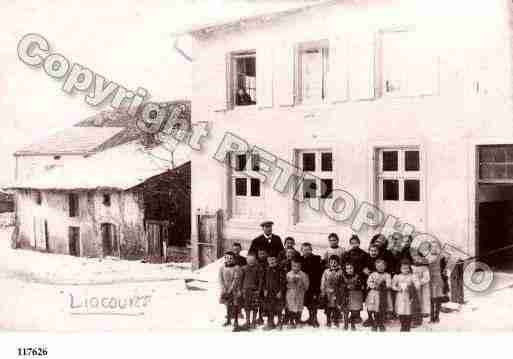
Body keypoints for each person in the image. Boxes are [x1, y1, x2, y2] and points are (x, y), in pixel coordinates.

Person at [392, 259, 420, 332]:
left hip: (408, 296)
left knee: (408, 311)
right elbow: (393, 286)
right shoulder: (397, 276)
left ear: (409, 268)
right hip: (400, 296)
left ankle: (407, 325)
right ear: (400, 268)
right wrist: (397, 288)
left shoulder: (412, 276)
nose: (405, 270)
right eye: (403, 268)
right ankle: (402, 325)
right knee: (401, 311)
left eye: (407, 268)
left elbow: (418, 285)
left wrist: (411, 286)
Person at [218, 251, 242, 331]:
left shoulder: (237, 268)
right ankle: (228, 320)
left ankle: (235, 321)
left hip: (234, 290)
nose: (228, 260)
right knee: (227, 304)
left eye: (231, 258)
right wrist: (224, 288)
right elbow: (220, 279)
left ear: (234, 259)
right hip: (225, 289)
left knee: (235, 305)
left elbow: (236, 279)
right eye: (227, 258)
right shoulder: (222, 267)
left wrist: (231, 289)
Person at [366, 259, 392, 331]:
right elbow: (369, 282)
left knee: (382, 309)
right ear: (375, 267)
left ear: (385, 267)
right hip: (374, 294)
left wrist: (385, 285)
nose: (380, 267)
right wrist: (373, 285)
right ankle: (375, 323)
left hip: (383, 294)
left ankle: (381, 323)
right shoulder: (373, 274)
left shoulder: (387, 275)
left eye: (382, 266)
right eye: (378, 266)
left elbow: (389, 284)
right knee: (374, 308)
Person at [320, 255, 347, 328]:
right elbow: (323, 281)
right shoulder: (326, 271)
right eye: (331, 262)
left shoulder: (341, 271)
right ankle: (328, 320)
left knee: (336, 307)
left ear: (338, 263)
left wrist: (342, 288)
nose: (333, 263)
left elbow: (344, 281)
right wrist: (323, 291)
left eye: (335, 262)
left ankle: (336, 320)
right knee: (328, 308)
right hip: (328, 292)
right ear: (329, 263)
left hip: (337, 292)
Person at [301, 242, 323, 327]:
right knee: (307, 303)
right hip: (304, 286)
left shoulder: (316, 259)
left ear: (311, 250)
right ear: (301, 251)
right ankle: (310, 318)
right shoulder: (300, 259)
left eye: (308, 250)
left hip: (314, 285)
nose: (306, 251)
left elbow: (320, 272)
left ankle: (314, 320)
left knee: (313, 304)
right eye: (304, 250)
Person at [262, 254, 286, 330]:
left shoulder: (280, 270)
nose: (271, 261)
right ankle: (270, 323)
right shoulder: (266, 269)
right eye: (270, 260)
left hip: (278, 292)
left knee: (278, 308)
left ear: (276, 260)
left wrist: (281, 291)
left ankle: (279, 323)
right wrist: (265, 289)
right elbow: (264, 280)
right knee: (270, 308)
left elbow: (283, 282)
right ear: (267, 261)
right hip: (269, 292)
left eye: (273, 260)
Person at [240, 252, 264, 329]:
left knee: (254, 307)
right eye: (249, 260)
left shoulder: (258, 268)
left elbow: (261, 280)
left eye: (252, 260)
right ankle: (247, 321)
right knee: (246, 306)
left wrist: (259, 290)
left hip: (255, 291)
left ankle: (253, 321)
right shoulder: (243, 268)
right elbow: (241, 280)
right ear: (246, 260)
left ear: (255, 260)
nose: (250, 261)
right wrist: (241, 289)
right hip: (246, 290)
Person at [285, 258, 309, 329]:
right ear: (291, 266)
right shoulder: (288, 274)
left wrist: (302, 286)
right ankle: (291, 321)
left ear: (300, 266)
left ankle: (298, 320)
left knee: (299, 307)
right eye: (294, 266)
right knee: (291, 307)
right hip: (291, 294)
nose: (295, 268)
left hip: (300, 294)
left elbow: (306, 284)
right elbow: (285, 283)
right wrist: (290, 284)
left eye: (297, 266)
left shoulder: (303, 275)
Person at [411, 254, 431, 327]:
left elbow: (427, 278)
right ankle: (415, 316)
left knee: (423, 300)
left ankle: (421, 315)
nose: (417, 260)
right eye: (415, 259)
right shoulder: (412, 267)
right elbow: (411, 276)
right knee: (415, 301)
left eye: (419, 259)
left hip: (422, 287)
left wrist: (420, 282)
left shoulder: (424, 268)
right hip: (414, 286)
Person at [343, 262, 364, 331]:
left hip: (355, 296)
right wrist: (345, 287)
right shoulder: (343, 276)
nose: (349, 270)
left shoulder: (357, 276)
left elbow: (360, 285)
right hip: (346, 295)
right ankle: (345, 324)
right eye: (347, 268)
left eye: (351, 268)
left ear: (354, 268)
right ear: (345, 270)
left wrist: (354, 286)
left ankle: (352, 324)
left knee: (354, 311)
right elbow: (340, 285)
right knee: (346, 311)